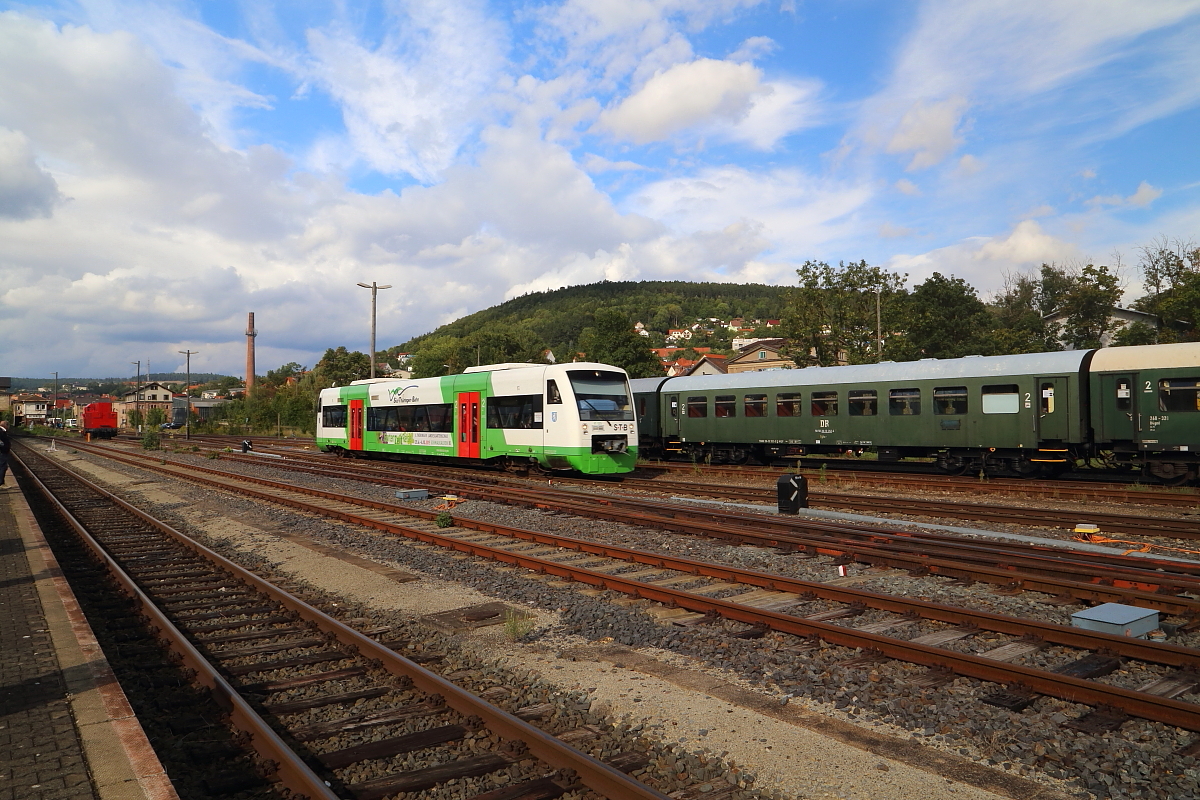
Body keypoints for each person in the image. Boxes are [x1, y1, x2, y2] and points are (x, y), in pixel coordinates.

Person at [0, 419, 10, 489]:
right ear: (6, 425)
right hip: (2, 453)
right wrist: (3, 448)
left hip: (2, 452)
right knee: (2, 467)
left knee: (2, 467)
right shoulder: (1, 431)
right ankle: (1, 483)